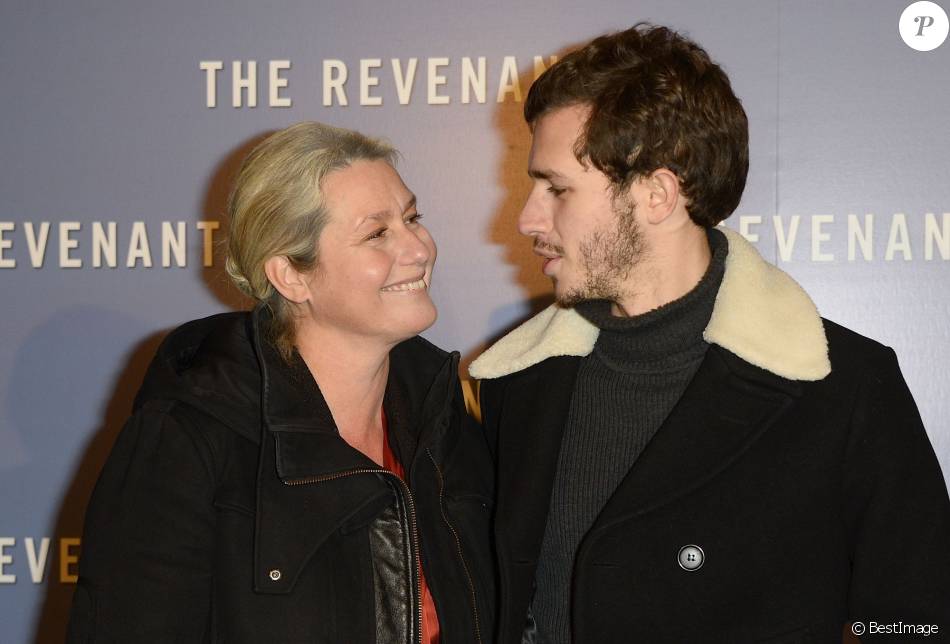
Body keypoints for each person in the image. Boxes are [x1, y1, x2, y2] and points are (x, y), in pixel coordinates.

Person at [470, 24, 950, 644]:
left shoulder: (843, 387)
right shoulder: (519, 382)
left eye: (556, 188)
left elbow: (915, 620)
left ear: (657, 194)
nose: (527, 218)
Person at [67, 122, 495, 644]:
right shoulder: (190, 440)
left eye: (412, 218)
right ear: (291, 275)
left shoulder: (444, 422)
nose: (419, 248)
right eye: (377, 233)